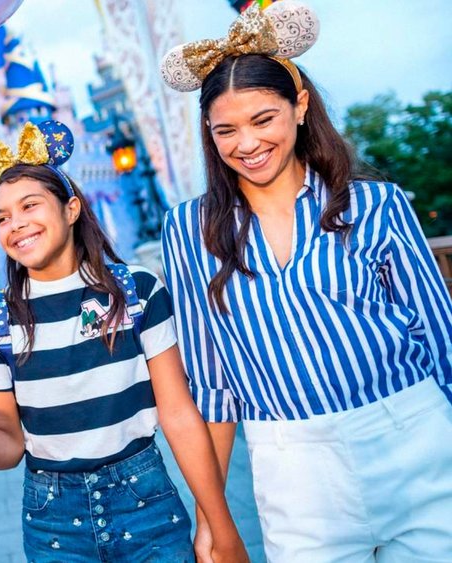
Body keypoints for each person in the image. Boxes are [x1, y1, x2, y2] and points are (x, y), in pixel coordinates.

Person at [159, 2, 452, 561]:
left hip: (415, 438)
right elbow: (211, 385)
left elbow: (441, 340)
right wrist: (213, 523)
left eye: (262, 119)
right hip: (291, 465)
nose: (246, 143)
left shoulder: (376, 204)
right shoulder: (188, 230)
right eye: (226, 130)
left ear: (299, 106)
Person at [0, 121, 248, 562]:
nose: (16, 224)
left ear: (71, 209)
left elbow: (179, 414)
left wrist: (219, 525)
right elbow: (8, 444)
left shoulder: (137, 293)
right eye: (3, 217)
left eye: (29, 205)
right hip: (53, 521)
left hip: (146, 504)